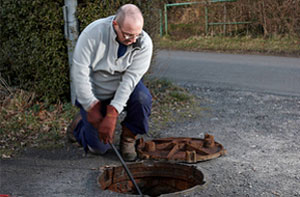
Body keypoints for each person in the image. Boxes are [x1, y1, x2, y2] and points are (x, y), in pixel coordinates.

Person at [67, 4, 153, 161]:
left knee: (143, 98)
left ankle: (128, 138)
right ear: (115, 25)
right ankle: (79, 126)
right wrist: (91, 107)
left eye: (136, 35)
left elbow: (130, 80)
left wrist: (112, 113)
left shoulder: (144, 42)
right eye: (127, 35)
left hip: (122, 86)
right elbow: (80, 72)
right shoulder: (92, 33)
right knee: (98, 149)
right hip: (96, 89)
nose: (133, 40)